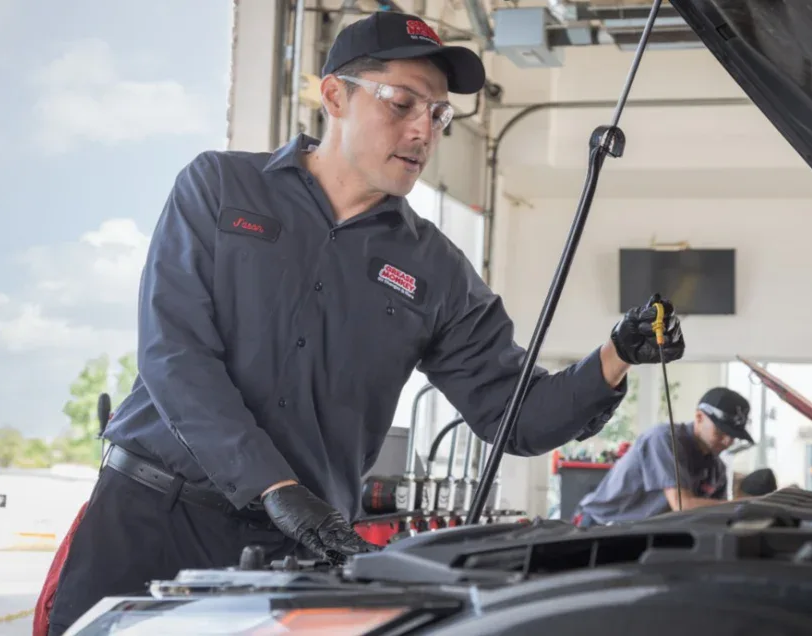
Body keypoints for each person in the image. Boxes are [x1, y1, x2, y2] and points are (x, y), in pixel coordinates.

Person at [44, 11, 685, 635]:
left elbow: (512, 414)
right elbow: (175, 356)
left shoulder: (437, 271)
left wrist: (615, 354)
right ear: (335, 96)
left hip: (287, 557)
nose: (423, 132)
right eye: (401, 103)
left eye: (438, 115)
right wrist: (274, 484)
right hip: (145, 520)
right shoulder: (218, 188)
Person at [573, 387, 753, 527]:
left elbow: (715, 514)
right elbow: (682, 505)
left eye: (733, 435)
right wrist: (748, 504)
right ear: (699, 417)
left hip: (641, 534)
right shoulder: (664, 439)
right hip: (600, 526)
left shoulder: (717, 469)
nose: (728, 441)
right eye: (720, 431)